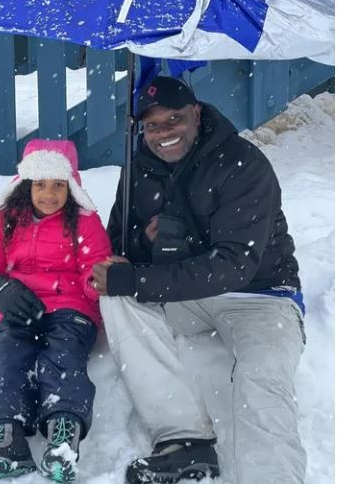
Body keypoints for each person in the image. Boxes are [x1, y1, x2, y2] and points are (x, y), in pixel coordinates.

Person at [92, 76, 304, 484]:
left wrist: (138, 280)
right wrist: (139, 243)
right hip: (185, 297)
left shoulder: (242, 163)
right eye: (152, 125)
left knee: (260, 377)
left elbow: (234, 265)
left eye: (174, 119)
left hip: (260, 296)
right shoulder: (136, 168)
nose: (164, 133)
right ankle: (186, 442)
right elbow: (119, 242)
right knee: (116, 297)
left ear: (197, 114)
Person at [0, 140, 112, 483]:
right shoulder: (7, 221)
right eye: (40, 184)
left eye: (58, 185)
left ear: (72, 186)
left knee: (63, 356)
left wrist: (99, 282)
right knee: (7, 356)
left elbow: (94, 266)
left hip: (71, 307)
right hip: (21, 307)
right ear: (26, 185)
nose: (49, 194)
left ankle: (63, 437)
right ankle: (7, 439)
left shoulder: (84, 221)